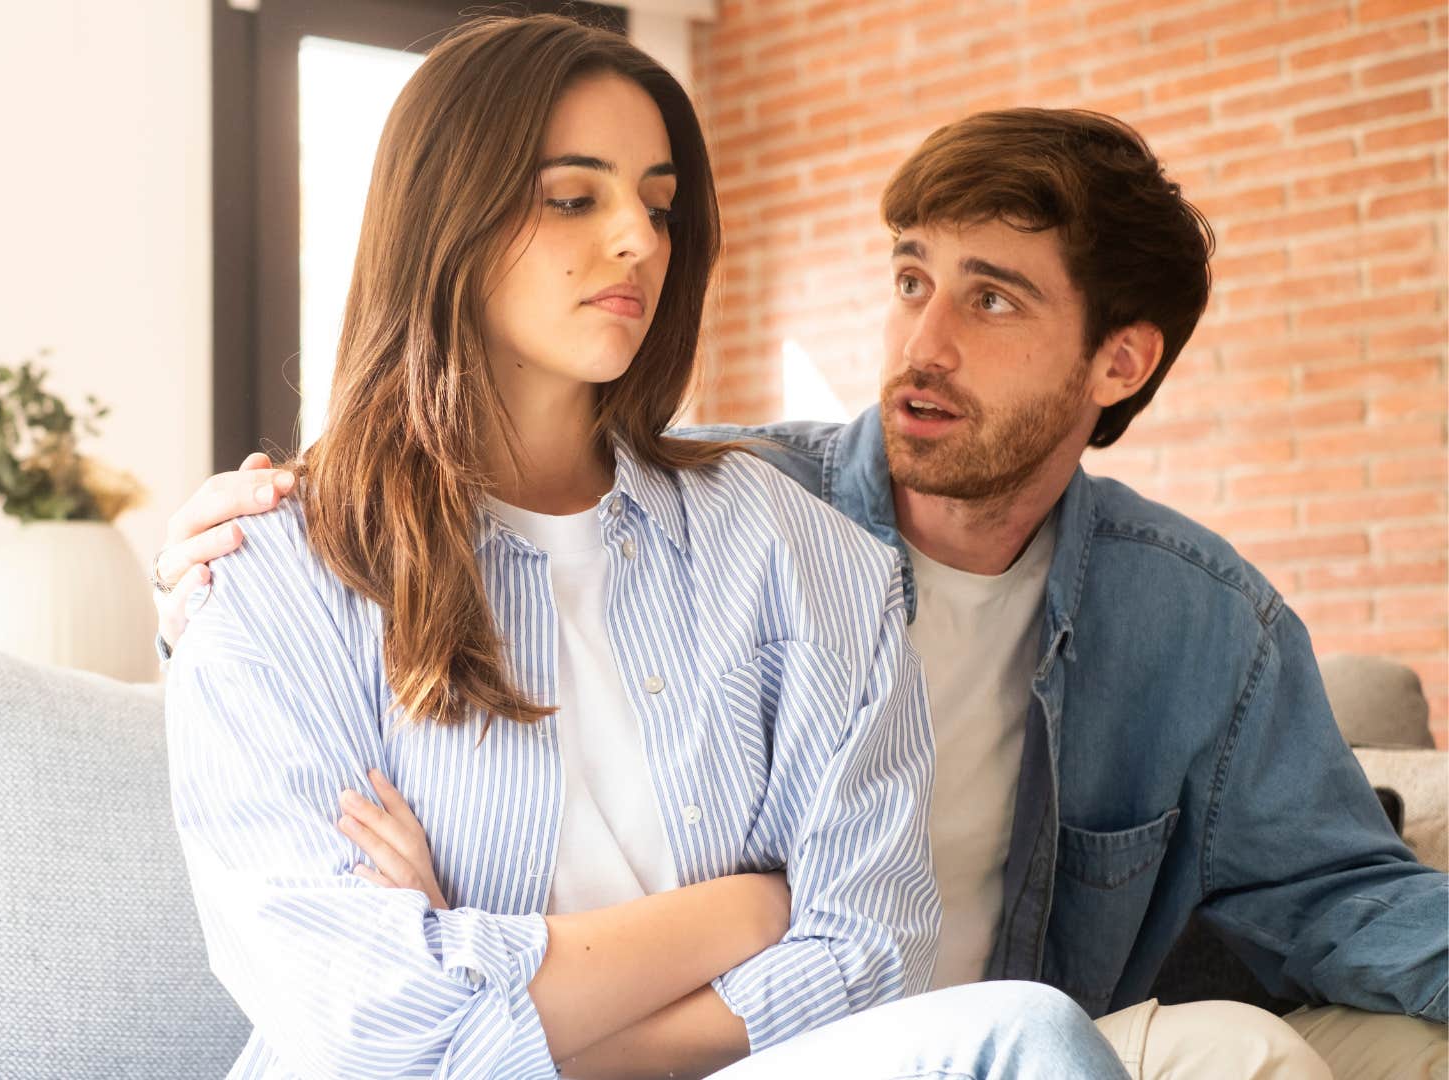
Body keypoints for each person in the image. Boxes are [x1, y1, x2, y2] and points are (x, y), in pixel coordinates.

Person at [158, 104, 1448, 1078]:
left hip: (931, 1030)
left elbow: (1337, 896)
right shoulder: (738, 511)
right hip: (734, 1029)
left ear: (1119, 361)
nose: (919, 349)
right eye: (908, 282)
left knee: (1245, 1046)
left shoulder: (1201, 621)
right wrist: (209, 580)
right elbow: (334, 960)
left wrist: (488, 1029)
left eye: (990, 301)